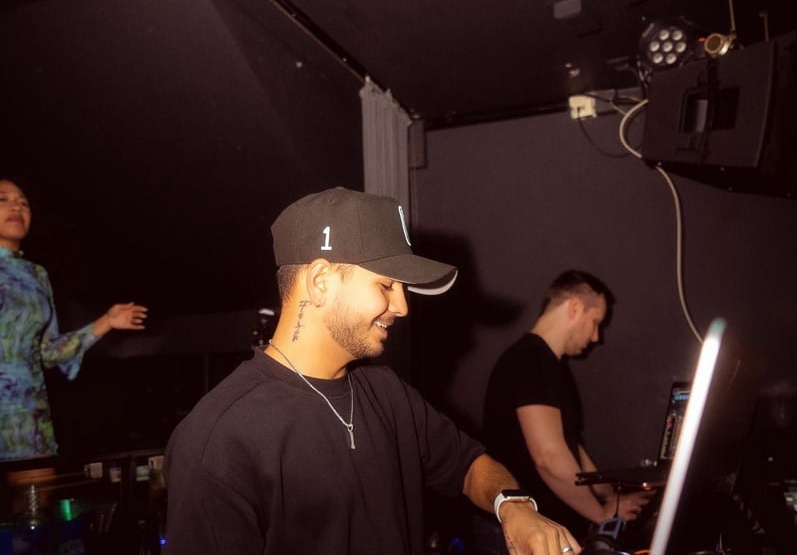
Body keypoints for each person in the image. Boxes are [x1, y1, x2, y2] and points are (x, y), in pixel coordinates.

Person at [163, 187, 582, 555]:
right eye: (386, 285)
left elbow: (471, 465)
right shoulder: (220, 437)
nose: (402, 306)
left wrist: (514, 507)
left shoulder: (388, 393)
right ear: (321, 281)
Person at [479, 270, 654, 550]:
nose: (596, 336)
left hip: (534, 530)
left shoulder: (545, 364)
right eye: (595, 322)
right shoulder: (531, 361)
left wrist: (610, 495)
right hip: (520, 535)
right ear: (574, 307)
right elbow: (549, 456)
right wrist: (601, 513)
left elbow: (571, 449)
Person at [0, 178, 149, 468]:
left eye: (23, 202)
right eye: (3, 199)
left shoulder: (37, 275)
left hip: (28, 416)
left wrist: (106, 321)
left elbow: (48, 352)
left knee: (36, 498)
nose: (17, 206)